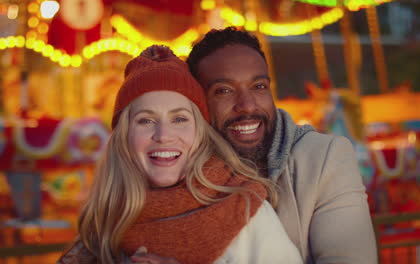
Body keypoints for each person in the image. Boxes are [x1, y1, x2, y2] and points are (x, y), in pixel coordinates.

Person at [56, 45, 303, 264]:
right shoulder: (106, 218)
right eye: (145, 120)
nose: (163, 135)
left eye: (179, 119)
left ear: (200, 134)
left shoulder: (245, 208)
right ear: (123, 137)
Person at [186, 27, 378, 264]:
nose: (247, 106)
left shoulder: (324, 158)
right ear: (197, 102)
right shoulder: (180, 171)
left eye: (258, 86)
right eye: (224, 91)